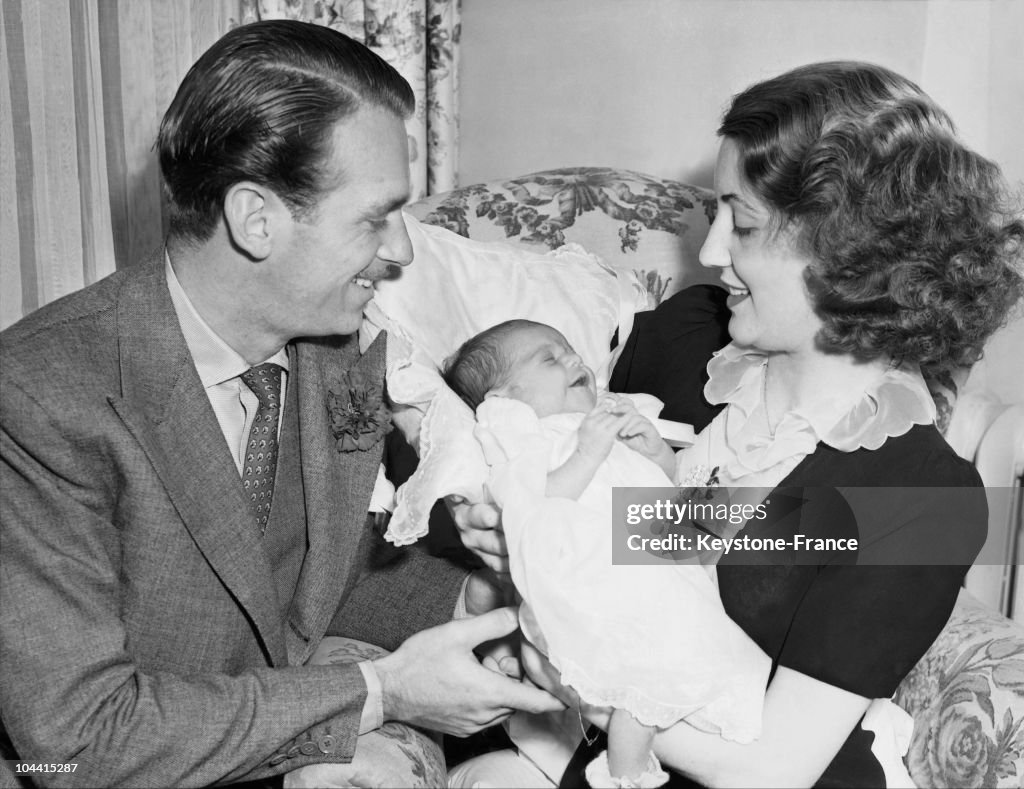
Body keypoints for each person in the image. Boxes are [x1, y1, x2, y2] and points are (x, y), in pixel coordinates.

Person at [0, 20, 561, 789]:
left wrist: (474, 600)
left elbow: (315, 576)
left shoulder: (343, 347)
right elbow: (77, 739)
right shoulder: (39, 395)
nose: (401, 249)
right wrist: (382, 691)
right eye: (375, 216)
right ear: (256, 219)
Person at [465, 61, 1024, 788]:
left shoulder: (921, 495)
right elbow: (654, 545)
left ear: (847, 247)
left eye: (745, 223)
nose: (709, 251)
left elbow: (775, 768)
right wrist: (527, 546)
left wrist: (594, 695)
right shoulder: (687, 341)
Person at [443, 319, 771, 787]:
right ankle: (625, 776)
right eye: (550, 359)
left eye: (572, 350)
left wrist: (657, 453)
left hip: (662, 571)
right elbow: (533, 503)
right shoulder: (528, 436)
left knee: (696, 661)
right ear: (503, 400)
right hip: (601, 584)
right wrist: (588, 452)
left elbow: (662, 495)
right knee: (642, 686)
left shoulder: (607, 419)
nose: (575, 360)